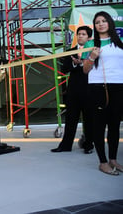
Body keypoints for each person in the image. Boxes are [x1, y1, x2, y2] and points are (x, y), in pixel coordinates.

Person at [82, 11, 123, 176]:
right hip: (99, 87)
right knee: (99, 126)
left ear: (110, 23)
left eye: (104, 21)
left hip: (119, 87)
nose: (101, 24)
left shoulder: (119, 43)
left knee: (114, 125)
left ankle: (113, 159)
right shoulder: (91, 44)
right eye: (97, 22)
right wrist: (92, 57)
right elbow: (85, 70)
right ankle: (103, 162)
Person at [51, 26, 94, 154]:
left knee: (89, 120)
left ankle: (88, 145)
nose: (80, 36)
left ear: (89, 37)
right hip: (73, 91)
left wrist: (82, 63)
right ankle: (65, 145)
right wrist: (76, 63)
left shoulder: (93, 51)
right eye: (79, 34)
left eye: (83, 34)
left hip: (89, 90)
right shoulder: (70, 52)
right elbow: (64, 69)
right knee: (70, 119)